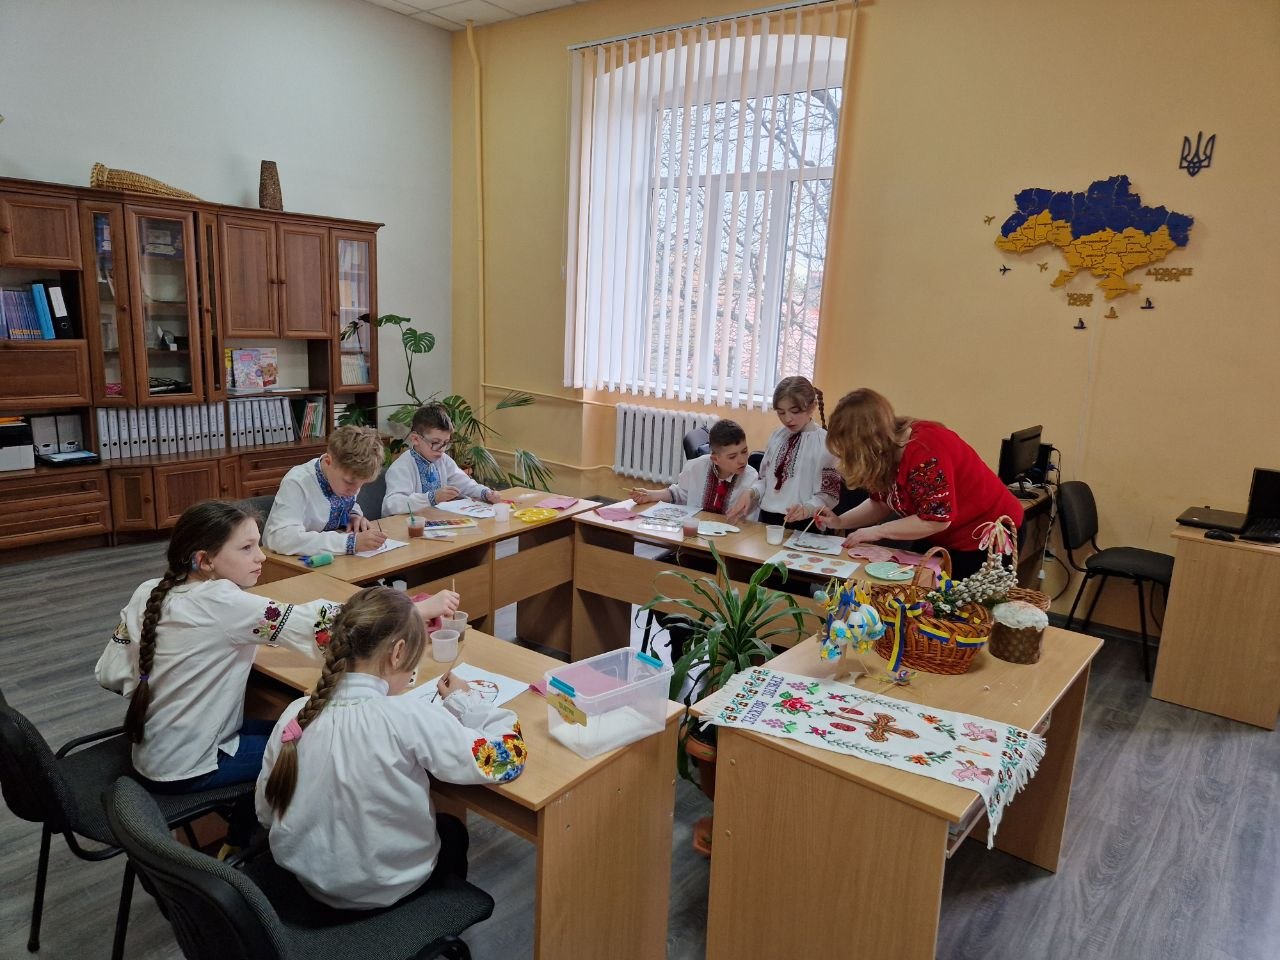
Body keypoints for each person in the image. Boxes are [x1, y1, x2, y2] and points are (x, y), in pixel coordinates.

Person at [94, 500, 459, 847]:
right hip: (191, 765)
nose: (262, 556)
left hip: (152, 750)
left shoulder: (150, 591)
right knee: (313, 743)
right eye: (246, 548)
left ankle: (245, 834)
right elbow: (324, 623)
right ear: (204, 560)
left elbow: (110, 672)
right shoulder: (221, 601)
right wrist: (415, 610)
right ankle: (250, 840)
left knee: (287, 726)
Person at [256, 586, 526, 910]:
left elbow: (265, 813)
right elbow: (506, 759)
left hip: (306, 885)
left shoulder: (296, 713)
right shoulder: (404, 715)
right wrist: (467, 703)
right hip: (383, 888)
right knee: (452, 832)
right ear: (397, 654)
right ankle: (419, 922)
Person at [818, 388, 1024, 580]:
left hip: (985, 538)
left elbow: (936, 520)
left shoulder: (925, 450)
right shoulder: (888, 452)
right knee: (918, 589)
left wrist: (876, 531)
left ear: (868, 445)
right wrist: (840, 521)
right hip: (941, 536)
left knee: (957, 603)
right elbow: (880, 503)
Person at [263, 425, 386, 557]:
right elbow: (281, 538)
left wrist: (353, 515)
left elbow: (339, 504)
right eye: (349, 482)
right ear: (328, 462)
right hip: (284, 562)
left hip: (328, 559)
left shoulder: (341, 479)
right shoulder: (297, 482)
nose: (355, 491)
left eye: (362, 484)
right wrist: (350, 543)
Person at [749, 376, 843, 527]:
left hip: (806, 523)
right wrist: (752, 493)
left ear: (812, 407)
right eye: (781, 412)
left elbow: (828, 494)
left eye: (795, 411)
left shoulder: (825, 443)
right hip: (767, 519)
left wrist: (807, 510)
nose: (787, 419)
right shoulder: (777, 436)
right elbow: (765, 479)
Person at [382, 402, 502, 517]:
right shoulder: (401, 467)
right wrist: (431, 498)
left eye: (445, 443)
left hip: (436, 521)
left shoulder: (443, 460)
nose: (442, 449)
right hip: (407, 526)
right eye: (435, 443)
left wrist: (486, 493)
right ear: (415, 439)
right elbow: (392, 505)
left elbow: (465, 484)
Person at [630, 419, 760, 521]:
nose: (742, 460)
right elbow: (679, 494)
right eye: (732, 456)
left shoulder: (751, 478)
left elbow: (749, 522)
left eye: (744, 451)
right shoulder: (696, 467)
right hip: (695, 535)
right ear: (715, 459)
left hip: (732, 540)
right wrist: (650, 495)